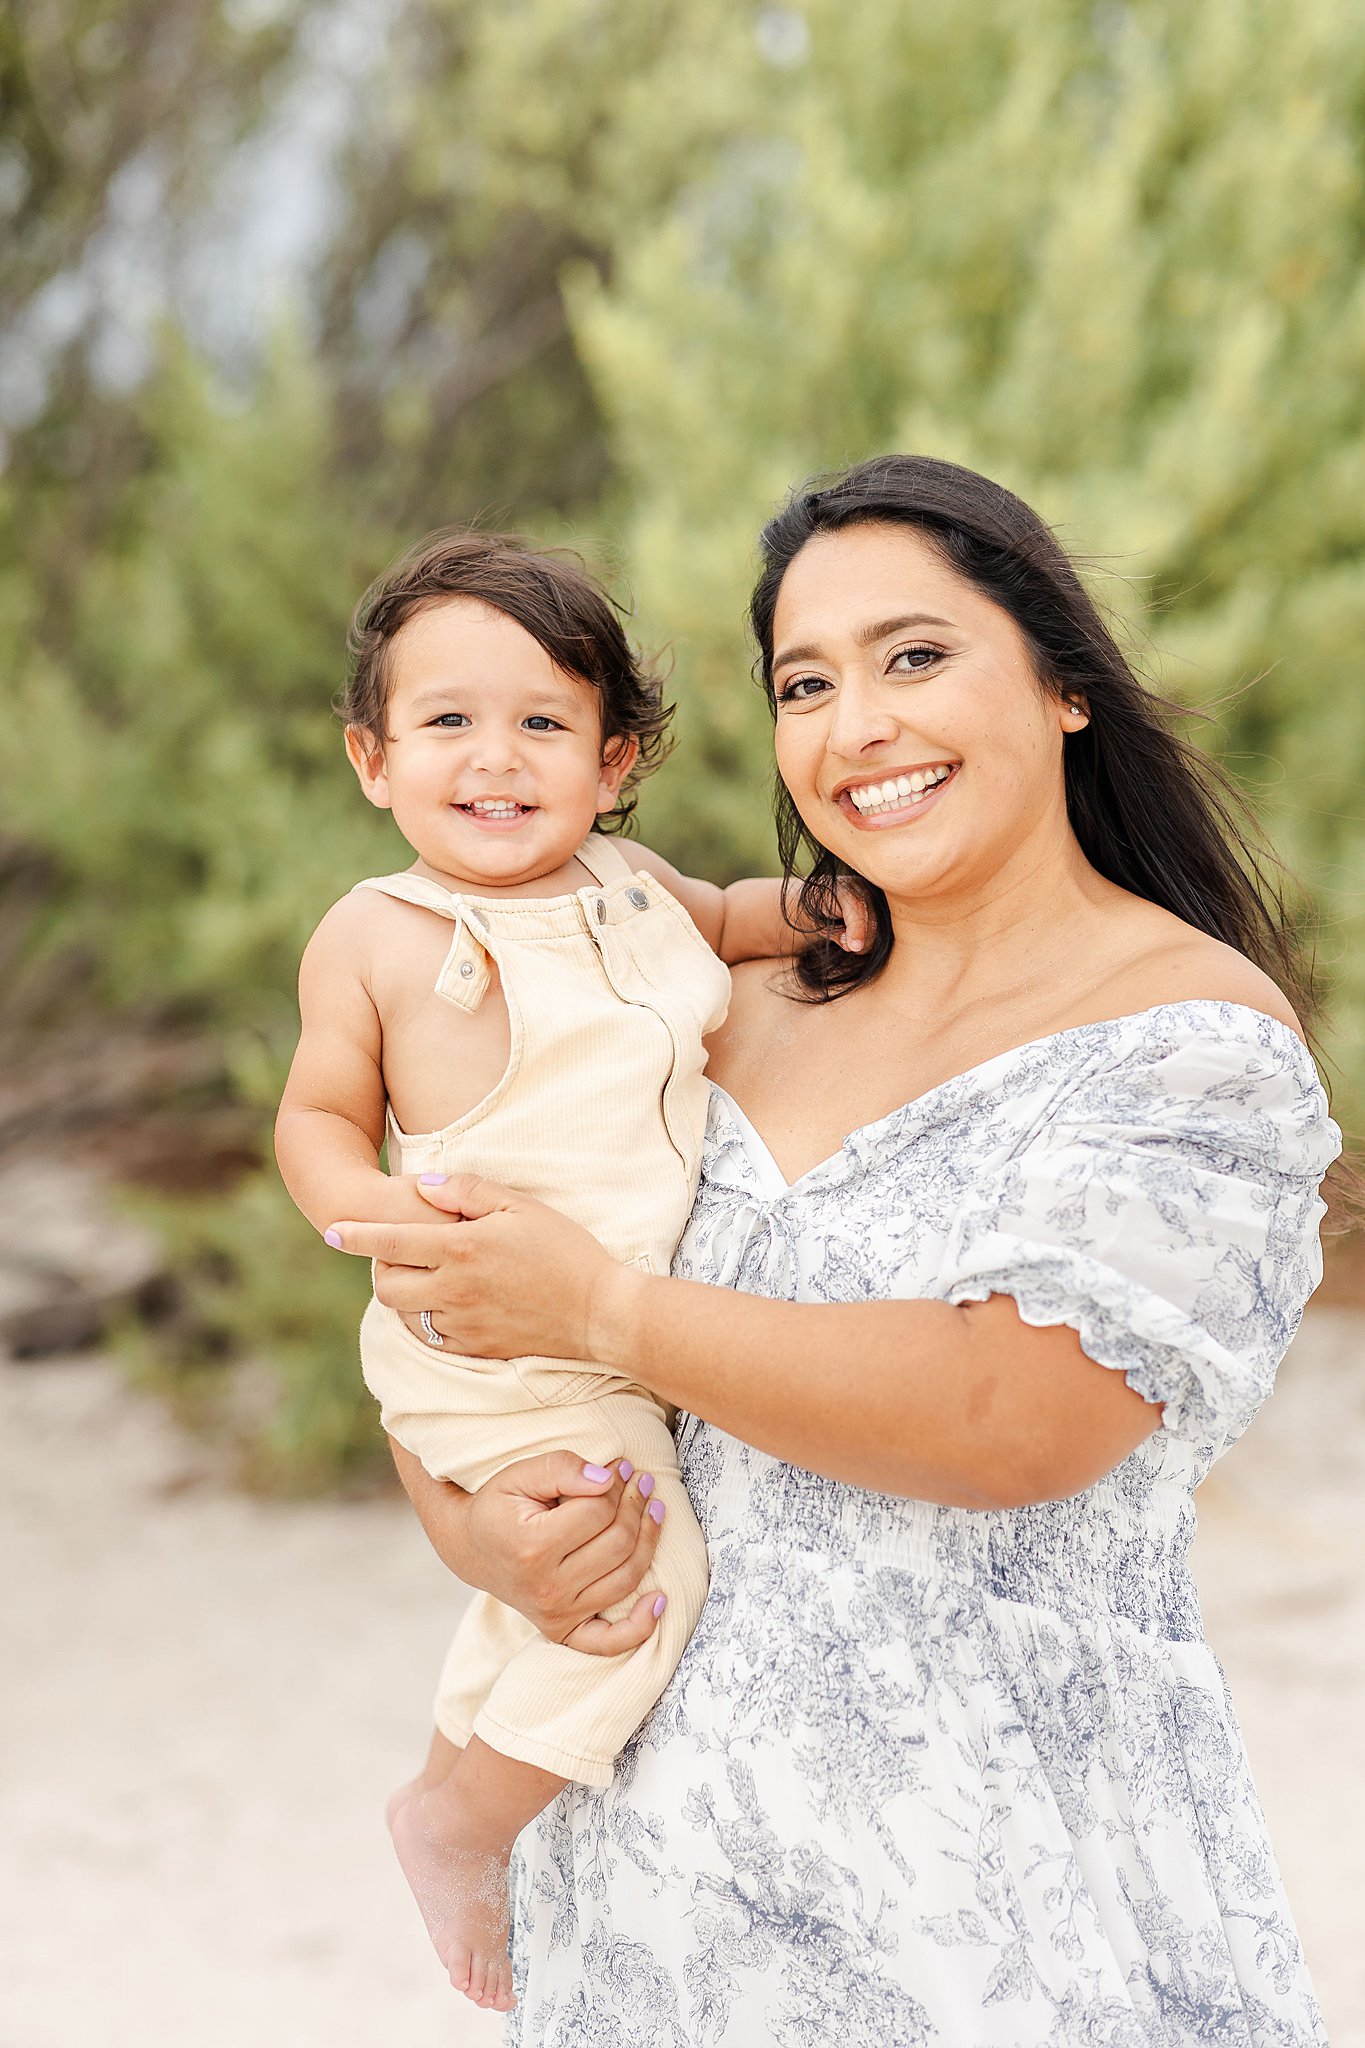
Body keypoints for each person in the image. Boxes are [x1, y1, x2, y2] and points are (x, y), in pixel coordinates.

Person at [325, 457, 1340, 2045]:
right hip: (653, 1905)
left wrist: (602, 1303)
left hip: (993, 1917)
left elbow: (1011, 1418)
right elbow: (474, 1312)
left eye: (914, 657)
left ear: (1064, 684)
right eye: (807, 682)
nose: (856, 724)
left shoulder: (1186, 1039)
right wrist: (477, 1530)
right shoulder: (722, 1006)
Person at [275, 529, 866, 2014]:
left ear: (612, 764)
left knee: (539, 1574)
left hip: (614, 1333)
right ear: (371, 757)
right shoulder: (382, 937)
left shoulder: (630, 885)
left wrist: (818, 912)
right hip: (484, 1326)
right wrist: (377, 1223)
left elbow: (731, 919)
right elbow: (318, 1116)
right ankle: (458, 1827)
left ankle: (445, 1760)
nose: (496, 759)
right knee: (642, 1573)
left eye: (544, 723)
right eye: (446, 723)